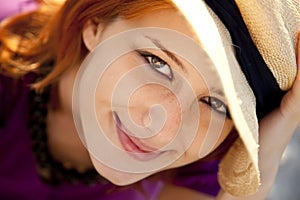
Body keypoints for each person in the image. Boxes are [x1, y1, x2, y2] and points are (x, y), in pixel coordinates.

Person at [0, 0, 299, 199]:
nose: (163, 130)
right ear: (96, 23)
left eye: (217, 104)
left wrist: (268, 148)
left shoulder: (201, 161)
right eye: (156, 63)